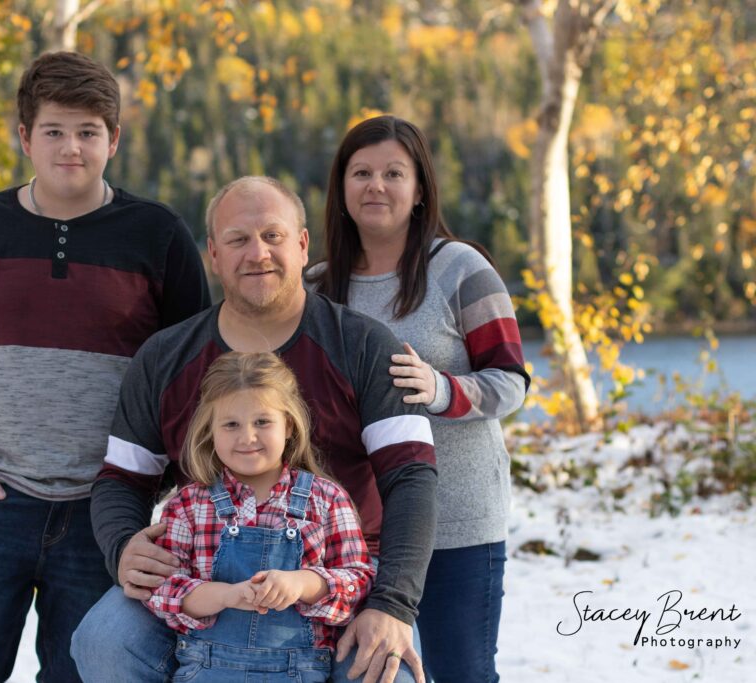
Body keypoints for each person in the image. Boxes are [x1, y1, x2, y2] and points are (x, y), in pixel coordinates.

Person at [0, 51, 210, 683]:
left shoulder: (156, 234)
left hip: (105, 514)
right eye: (54, 131)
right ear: (25, 138)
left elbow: (196, 372)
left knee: (83, 673)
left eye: (88, 131)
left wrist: (163, 481)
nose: (72, 147)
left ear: (113, 139)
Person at [72, 176, 437, 683]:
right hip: (201, 585)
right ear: (214, 256)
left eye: (273, 235)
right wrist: (122, 548)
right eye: (238, 239)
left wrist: (394, 603)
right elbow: (121, 480)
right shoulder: (165, 357)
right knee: (103, 639)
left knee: (388, 669)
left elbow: (413, 479)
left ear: (303, 245)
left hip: (339, 583)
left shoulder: (364, 346)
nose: (257, 253)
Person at [309, 115, 530, 683]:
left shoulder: (461, 269)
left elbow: (511, 382)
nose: (375, 186)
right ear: (341, 188)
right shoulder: (315, 287)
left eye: (392, 173)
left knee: (463, 673)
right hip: (353, 533)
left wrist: (441, 390)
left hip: (458, 520)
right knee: (370, 675)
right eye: (361, 173)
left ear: (420, 189)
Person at [145, 351, 376, 682]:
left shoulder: (326, 499)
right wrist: (228, 595)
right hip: (207, 671)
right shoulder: (188, 505)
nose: (247, 437)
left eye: (263, 422)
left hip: (299, 672)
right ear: (211, 430)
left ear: (289, 425)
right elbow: (163, 589)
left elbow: (359, 582)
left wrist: (302, 583)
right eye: (231, 424)